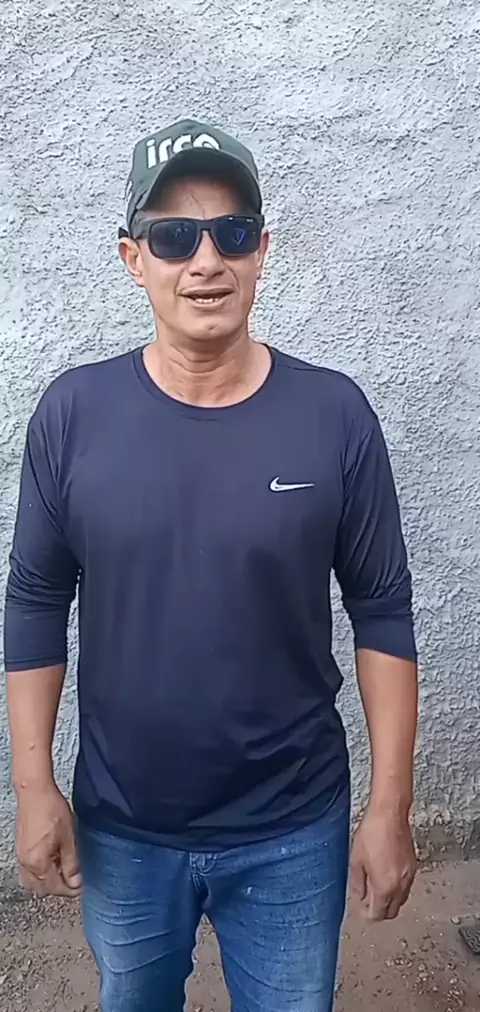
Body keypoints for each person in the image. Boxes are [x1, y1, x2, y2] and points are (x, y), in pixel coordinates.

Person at [4, 118, 418, 1012]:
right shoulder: (73, 415)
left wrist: (390, 808)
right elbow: (35, 601)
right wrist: (33, 788)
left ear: (262, 252)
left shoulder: (335, 416)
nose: (205, 262)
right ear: (132, 258)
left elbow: (382, 610)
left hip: (292, 827)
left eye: (231, 233)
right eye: (173, 237)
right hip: (125, 827)